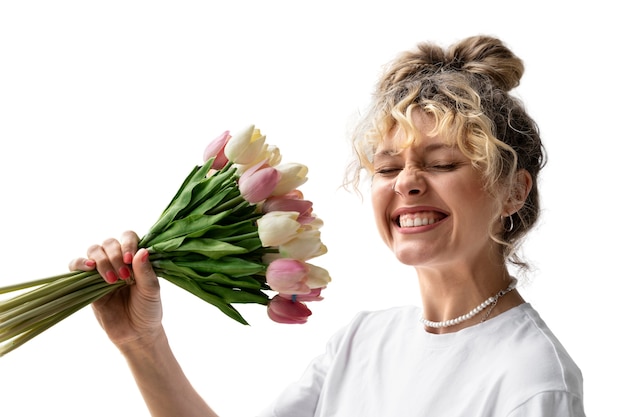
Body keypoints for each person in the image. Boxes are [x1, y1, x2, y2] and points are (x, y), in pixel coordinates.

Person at [70, 35, 585, 416]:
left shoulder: (533, 383)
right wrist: (142, 342)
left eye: (443, 163)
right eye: (386, 168)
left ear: (514, 190)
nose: (406, 183)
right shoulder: (362, 341)